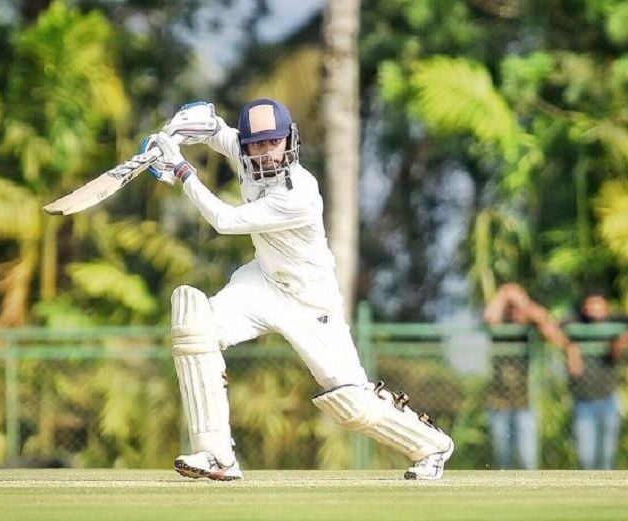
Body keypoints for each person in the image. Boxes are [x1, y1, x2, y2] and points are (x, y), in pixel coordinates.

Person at [141, 99, 454, 481]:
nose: (267, 152)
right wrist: (174, 132)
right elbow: (216, 132)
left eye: (274, 142)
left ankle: (431, 445)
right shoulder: (246, 153)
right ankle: (215, 454)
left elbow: (224, 220)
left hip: (310, 302)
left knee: (350, 402)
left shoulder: (299, 193)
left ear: (289, 140)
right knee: (196, 324)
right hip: (263, 283)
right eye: (257, 144)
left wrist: (181, 169)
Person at [482, 283, 582, 469]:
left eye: (517, 306)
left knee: (527, 461)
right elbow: (489, 316)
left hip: (525, 403)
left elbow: (543, 318)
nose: (514, 310)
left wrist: (520, 299)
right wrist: (505, 294)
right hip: (499, 403)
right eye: (510, 307)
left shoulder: (532, 329)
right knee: (504, 463)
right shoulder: (499, 328)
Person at [566, 290, 628, 470]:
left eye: (598, 304)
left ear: (606, 306)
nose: (593, 308)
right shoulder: (575, 323)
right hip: (583, 400)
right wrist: (569, 347)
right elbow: (549, 325)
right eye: (590, 304)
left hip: (609, 398)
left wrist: (623, 340)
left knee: (607, 457)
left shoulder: (615, 321)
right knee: (585, 458)